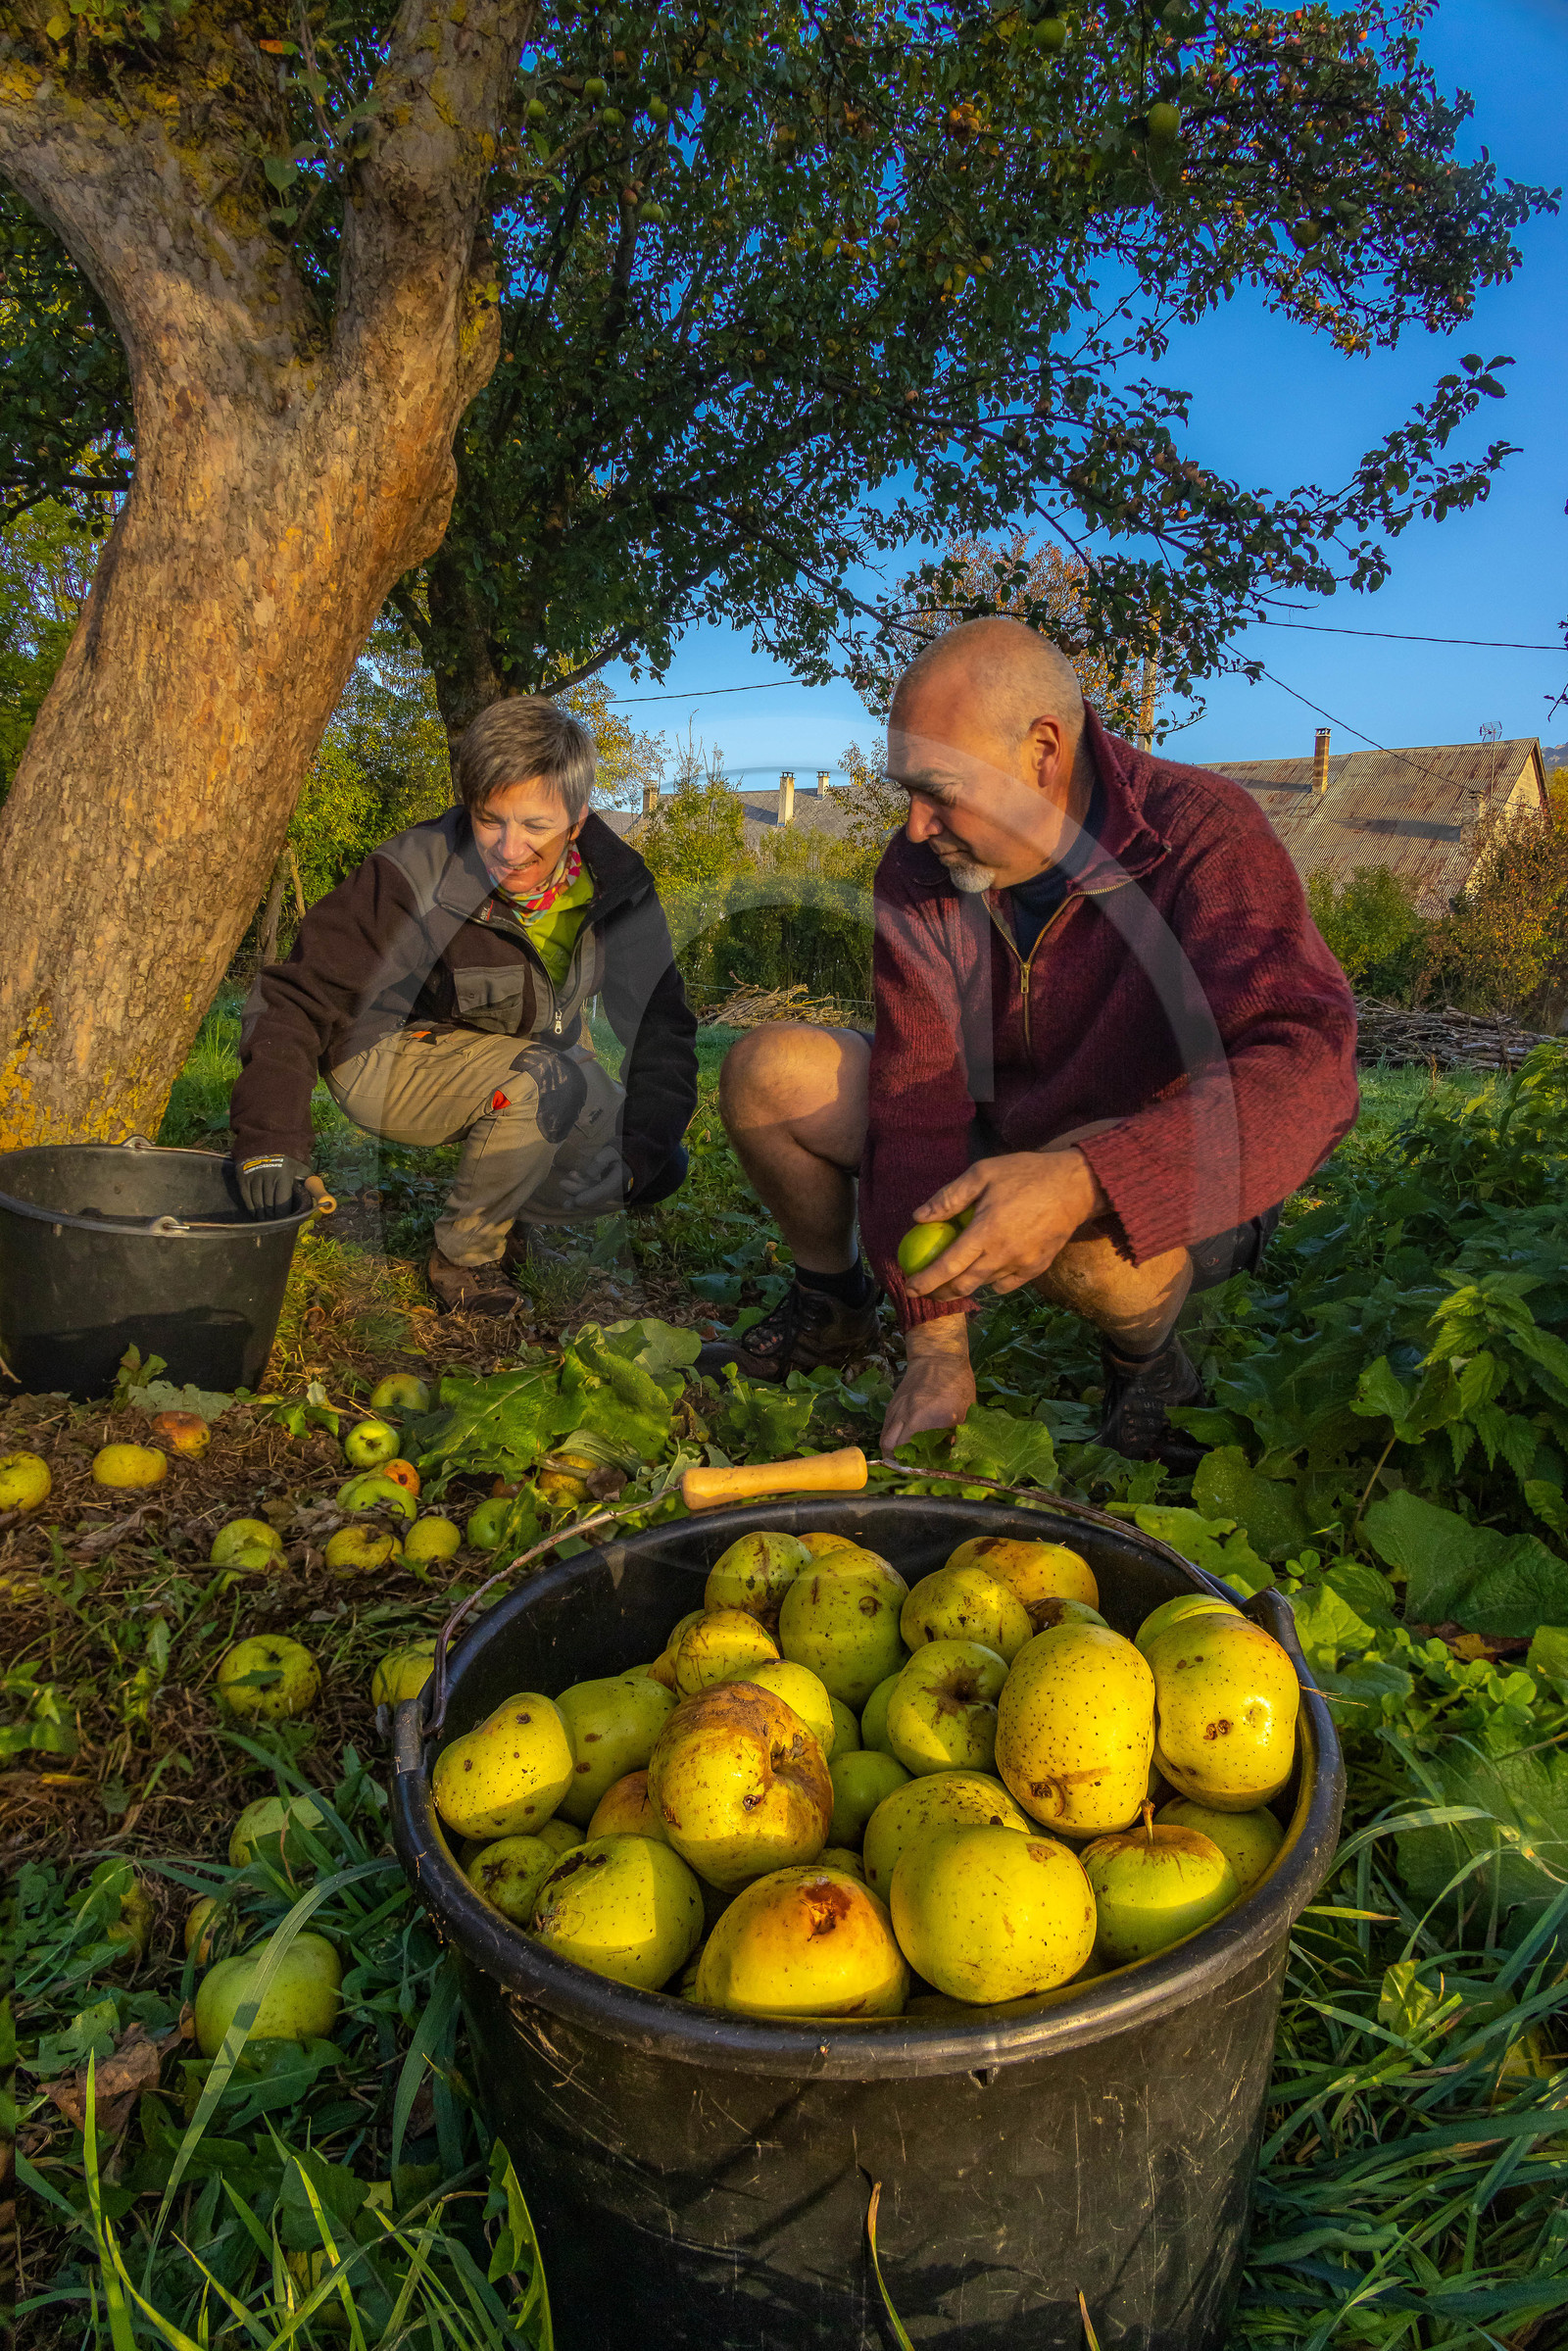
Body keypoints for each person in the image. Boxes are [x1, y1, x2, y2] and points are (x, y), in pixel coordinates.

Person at [699, 617, 1358, 1465]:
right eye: (907, 790)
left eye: (939, 789)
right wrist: (935, 1345)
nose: (913, 826)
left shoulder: (1204, 835)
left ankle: (1148, 1369)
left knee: (1091, 1227)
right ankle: (835, 1306)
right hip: (1003, 1127)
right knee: (771, 1072)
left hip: (1163, 1151)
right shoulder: (920, 871)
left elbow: (1309, 1063)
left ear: (1044, 750)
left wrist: (1088, 1177)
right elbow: (916, 1099)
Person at [229, 697, 697, 1312]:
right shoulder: (411, 870)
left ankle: (516, 1201)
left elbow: (660, 1023)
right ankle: (465, 1264)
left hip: (520, 1053)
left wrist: (639, 1153)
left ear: (578, 819)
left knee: (658, 1164)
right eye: (489, 820)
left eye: (536, 826)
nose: (509, 848)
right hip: (382, 1051)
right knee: (543, 1080)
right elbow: (296, 996)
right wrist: (269, 1140)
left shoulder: (619, 883)